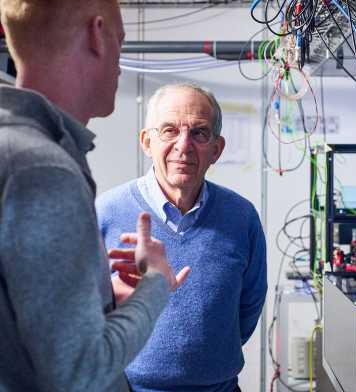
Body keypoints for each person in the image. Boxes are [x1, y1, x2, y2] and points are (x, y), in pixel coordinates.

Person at [0, 2, 189, 391]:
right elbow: (80, 373)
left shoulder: (14, 146)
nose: (120, 65)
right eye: (120, 41)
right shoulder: (42, 169)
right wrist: (155, 284)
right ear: (97, 34)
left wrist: (94, 300)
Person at [96, 83, 268, 392]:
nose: (183, 145)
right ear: (147, 142)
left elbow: (249, 307)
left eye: (199, 133)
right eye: (169, 131)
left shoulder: (242, 217)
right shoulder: (105, 212)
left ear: (216, 149)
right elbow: (79, 318)